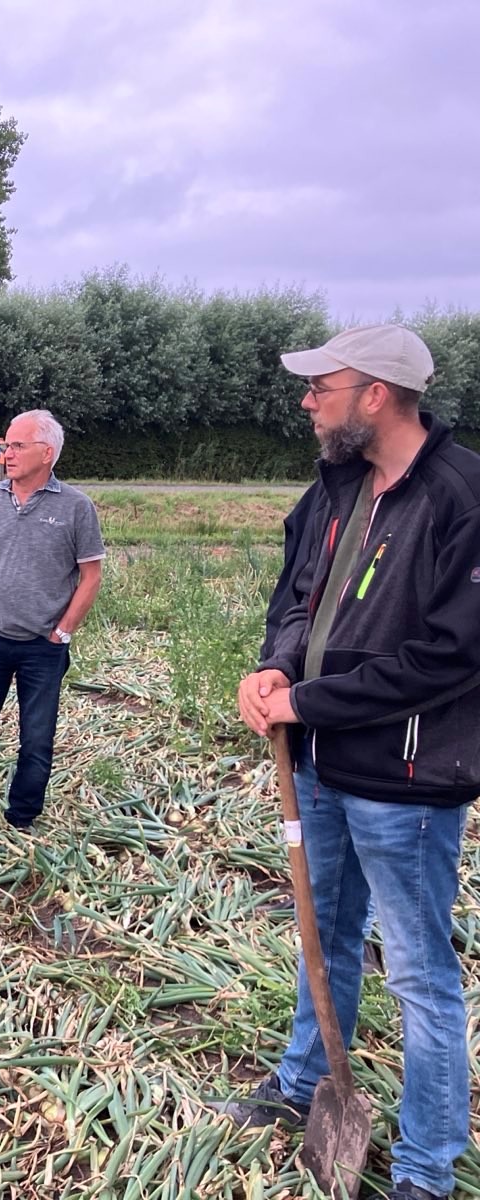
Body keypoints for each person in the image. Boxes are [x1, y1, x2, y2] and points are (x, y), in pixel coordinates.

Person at [220, 324, 476, 1200]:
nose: (306, 402)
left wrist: (310, 703)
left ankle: (424, 1169)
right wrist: (276, 667)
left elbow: (450, 656)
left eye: (319, 387)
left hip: (405, 781)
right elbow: (299, 596)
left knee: (419, 974)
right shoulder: (335, 487)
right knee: (322, 936)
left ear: (375, 394)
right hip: (318, 767)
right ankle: (302, 1084)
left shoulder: (461, 498)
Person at [0, 410, 104, 863]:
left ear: (46, 453)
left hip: (42, 648)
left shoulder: (76, 508)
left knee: (36, 740)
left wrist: (62, 631)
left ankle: (22, 821)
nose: (6, 454)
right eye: (5, 446)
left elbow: (91, 575)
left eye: (16, 446)